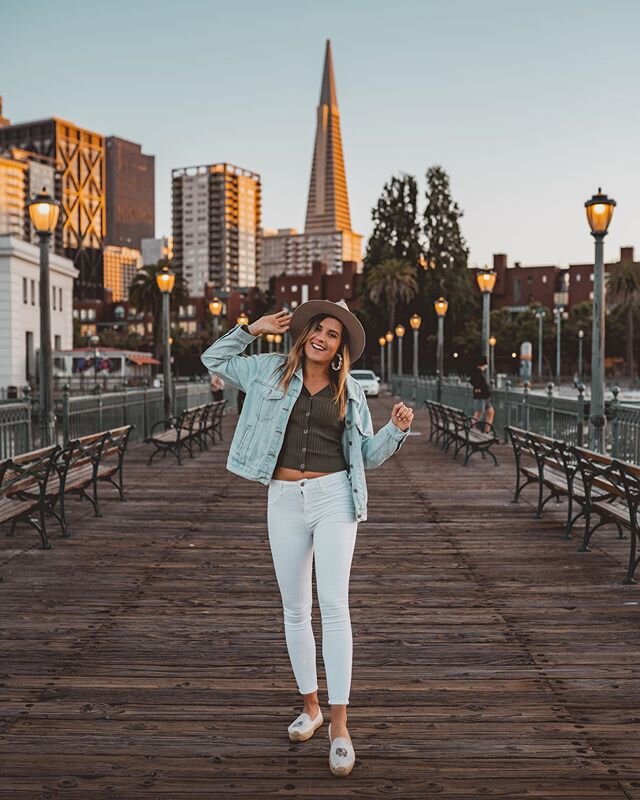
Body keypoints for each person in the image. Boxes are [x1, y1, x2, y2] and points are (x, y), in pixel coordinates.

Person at [200, 300, 414, 778]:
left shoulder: (352, 391)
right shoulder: (268, 370)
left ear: (342, 348)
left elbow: (367, 456)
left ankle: (340, 725)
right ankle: (311, 707)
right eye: (317, 328)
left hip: (334, 496)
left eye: (333, 334)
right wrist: (250, 328)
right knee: (295, 608)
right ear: (303, 332)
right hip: (283, 496)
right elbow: (214, 360)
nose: (322, 337)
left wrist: (395, 432)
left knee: (334, 605)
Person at [470, 354, 495, 430]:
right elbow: (475, 382)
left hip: (484, 397)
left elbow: (473, 381)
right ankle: (472, 430)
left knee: (490, 412)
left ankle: (486, 430)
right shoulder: (477, 372)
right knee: (478, 414)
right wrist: (478, 388)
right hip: (481, 397)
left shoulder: (477, 372)